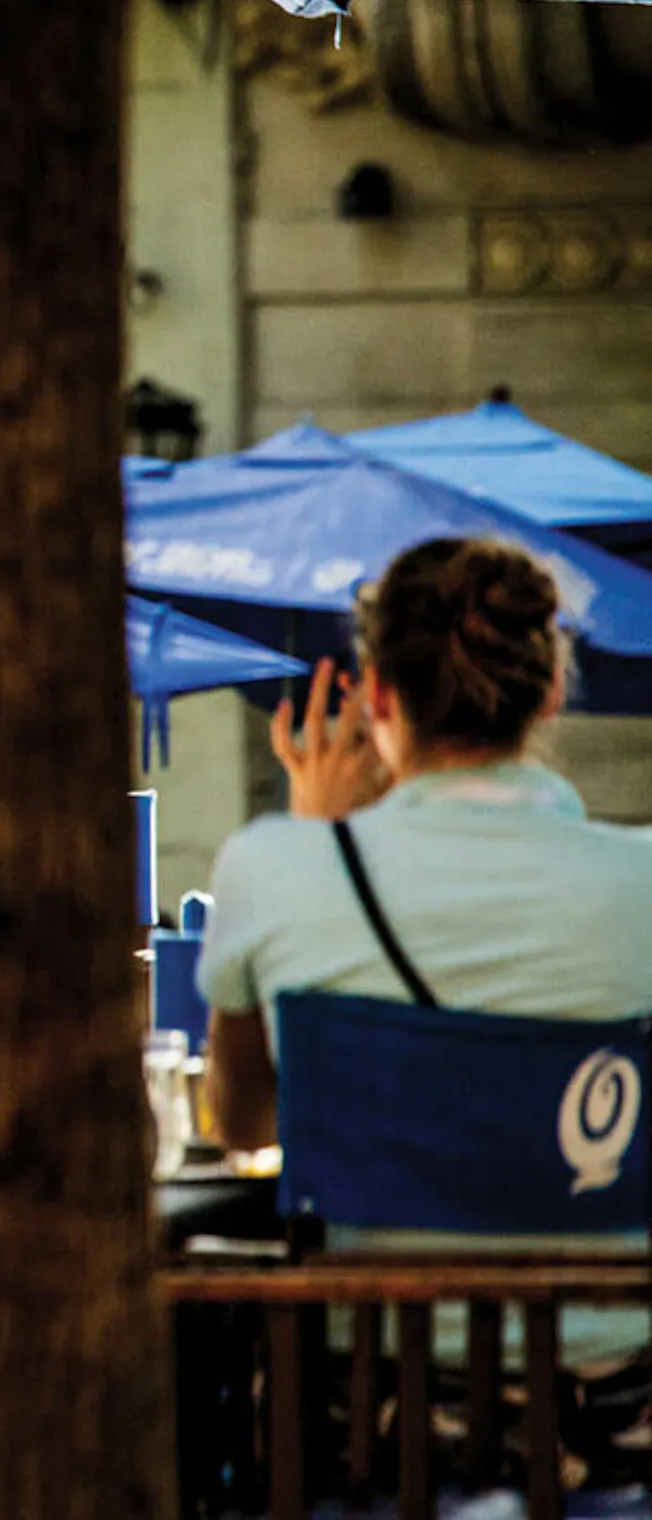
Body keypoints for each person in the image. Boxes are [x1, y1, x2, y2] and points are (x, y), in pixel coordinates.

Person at [198, 536, 652, 1425]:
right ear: (553, 690)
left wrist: (313, 837)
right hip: (612, 1412)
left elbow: (245, 1123)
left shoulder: (271, 867)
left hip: (368, 1421)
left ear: (375, 698)